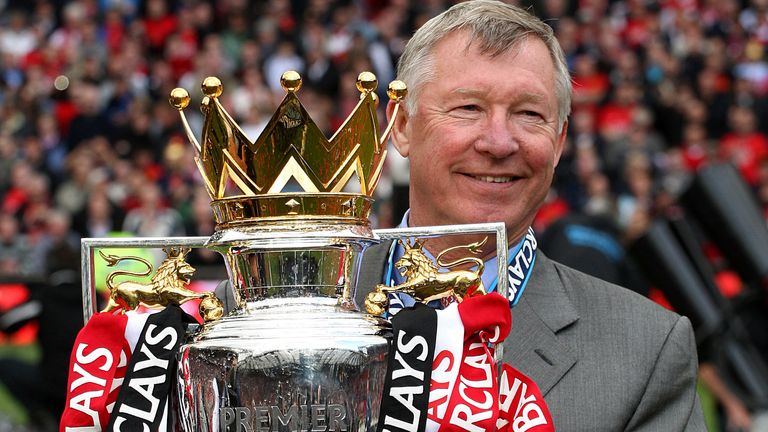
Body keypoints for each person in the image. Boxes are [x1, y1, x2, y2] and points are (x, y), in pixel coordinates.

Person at [356, 1, 705, 429]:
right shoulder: (286, 305)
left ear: (558, 142)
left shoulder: (646, 348)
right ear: (403, 125)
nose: (499, 143)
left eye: (529, 114)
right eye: (469, 108)